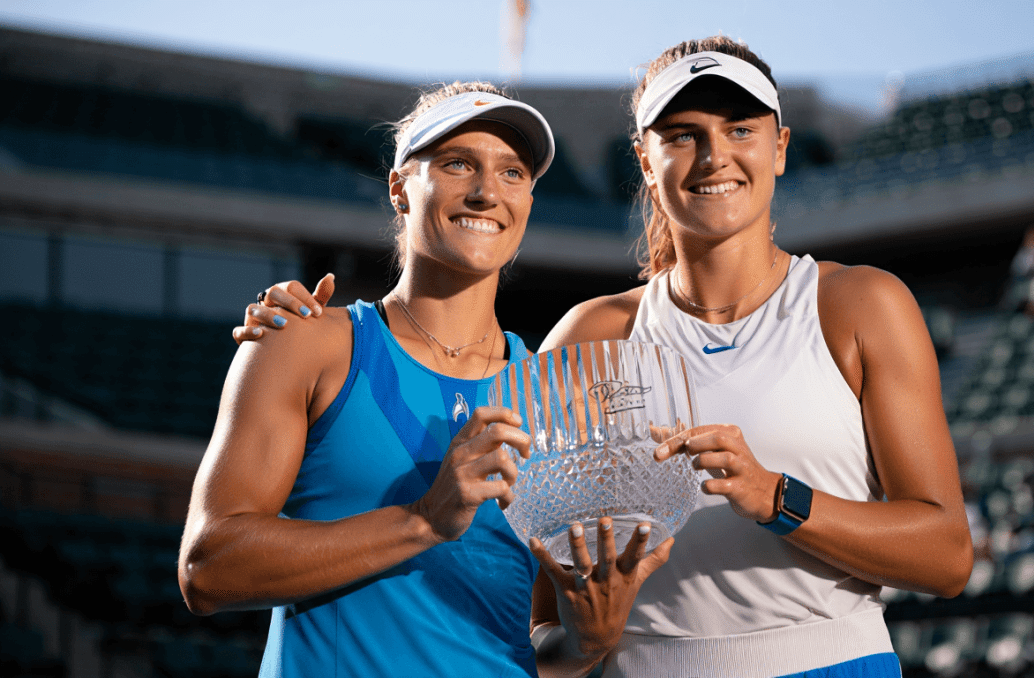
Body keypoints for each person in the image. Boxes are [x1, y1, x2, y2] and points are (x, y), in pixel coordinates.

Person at [240, 38, 973, 678]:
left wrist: (779, 496)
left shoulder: (861, 304)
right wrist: (586, 638)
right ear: (645, 162)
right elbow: (544, 615)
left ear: (779, 146)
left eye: (741, 128)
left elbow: (945, 556)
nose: (714, 155)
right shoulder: (585, 340)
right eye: (682, 135)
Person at [181, 82, 668, 678]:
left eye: (512, 173)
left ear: (528, 201)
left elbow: (535, 644)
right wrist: (422, 521)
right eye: (458, 163)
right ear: (399, 188)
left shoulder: (555, 398)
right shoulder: (307, 343)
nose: (487, 192)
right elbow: (208, 569)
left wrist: (586, 643)